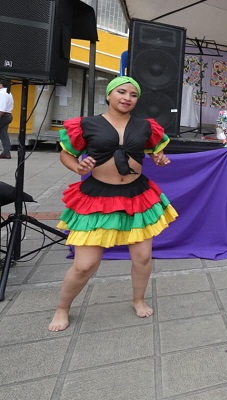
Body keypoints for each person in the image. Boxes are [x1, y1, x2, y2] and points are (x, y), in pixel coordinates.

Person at [48, 77, 177, 332]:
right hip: (97, 198)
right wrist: (77, 166)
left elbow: (155, 151)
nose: (127, 98)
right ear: (109, 95)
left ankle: (138, 299)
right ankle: (62, 308)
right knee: (85, 265)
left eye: (133, 94)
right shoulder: (87, 124)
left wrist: (159, 158)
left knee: (142, 257)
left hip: (137, 196)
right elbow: (66, 153)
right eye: (121, 92)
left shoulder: (144, 127)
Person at [0, 78, 13, 159]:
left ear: (0, 85)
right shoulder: (8, 92)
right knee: (3, 133)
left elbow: (1, 109)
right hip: (7, 115)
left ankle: (6, 152)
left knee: (3, 133)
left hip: (3, 115)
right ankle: (6, 152)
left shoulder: (2, 93)